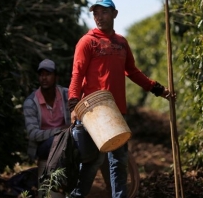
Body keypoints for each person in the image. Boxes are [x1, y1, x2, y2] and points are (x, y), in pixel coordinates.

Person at [67, 0, 174, 197]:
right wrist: (73, 104)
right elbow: (77, 73)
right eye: (96, 13)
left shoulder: (121, 43)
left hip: (115, 111)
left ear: (115, 14)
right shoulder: (87, 41)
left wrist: (157, 89)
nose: (99, 17)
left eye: (103, 12)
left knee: (119, 160)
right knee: (92, 162)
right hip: (93, 111)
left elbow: (132, 71)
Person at [23, 59, 71, 198]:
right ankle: (58, 186)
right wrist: (59, 131)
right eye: (41, 74)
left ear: (56, 77)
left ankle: (70, 185)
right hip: (43, 145)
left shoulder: (66, 95)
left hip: (66, 140)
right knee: (59, 141)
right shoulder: (31, 102)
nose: (44, 78)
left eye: (48, 74)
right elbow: (33, 134)